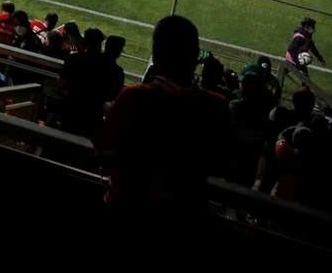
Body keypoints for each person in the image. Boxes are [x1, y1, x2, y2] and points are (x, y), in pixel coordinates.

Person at [97, 14, 233, 224]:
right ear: (195, 56)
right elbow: (222, 165)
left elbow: (105, 151)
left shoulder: (133, 98)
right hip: (185, 212)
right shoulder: (216, 106)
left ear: (156, 54)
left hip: (129, 206)